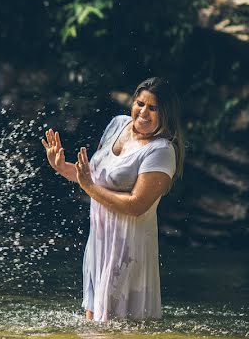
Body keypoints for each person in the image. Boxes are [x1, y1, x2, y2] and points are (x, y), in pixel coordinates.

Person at [41, 77, 184, 321]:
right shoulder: (118, 125)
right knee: (93, 327)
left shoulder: (161, 151)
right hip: (99, 242)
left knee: (118, 332)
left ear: (166, 114)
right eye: (140, 104)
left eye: (153, 108)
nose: (143, 113)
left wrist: (88, 187)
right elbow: (94, 177)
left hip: (128, 248)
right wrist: (61, 166)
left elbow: (136, 206)